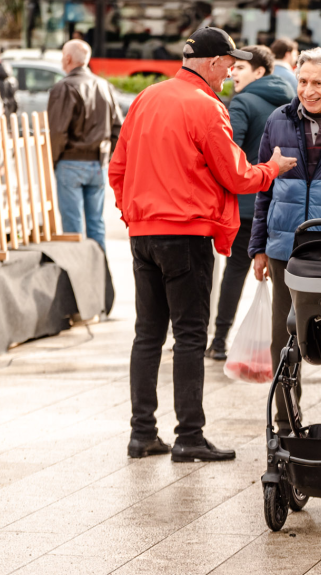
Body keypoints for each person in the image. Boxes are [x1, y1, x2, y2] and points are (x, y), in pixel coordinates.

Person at [109, 27, 296, 462]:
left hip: (144, 235)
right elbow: (235, 176)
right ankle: (189, 436)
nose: (231, 73)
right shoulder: (207, 108)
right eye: (229, 64)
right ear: (212, 63)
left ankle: (142, 433)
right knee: (190, 335)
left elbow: (117, 168)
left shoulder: (146, 98)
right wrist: (272, 168)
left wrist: (134, 215)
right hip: (186, 233)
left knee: (147, 334)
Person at [249, 48, 321, 432]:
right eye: (302, 81)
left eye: (317, 82)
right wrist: (259, 248)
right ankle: (286, 423)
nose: (308, 90)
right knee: (285, 338)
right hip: (287, 247)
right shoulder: (278, 120)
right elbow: (264, 188)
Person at [204, 44, 293, 361]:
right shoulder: (292, 99)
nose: (234, 73)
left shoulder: (242, 101)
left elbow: (230, 151)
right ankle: (289, 347)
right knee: (286, 277)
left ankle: (219, 340)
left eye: (241, 68)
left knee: (235, 271)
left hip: (248, 202)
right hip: (285, 204)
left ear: (259, 72)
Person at [48, 40, 123, 252]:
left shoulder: (64, 87)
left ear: (68, 58)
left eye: (63, 55)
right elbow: (118, 128)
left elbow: (57, 132)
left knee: (73, 228)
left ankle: (77, 278)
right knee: (96, 224)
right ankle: (100, 276)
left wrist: (53, 160)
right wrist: (106, 157)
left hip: (71, 161)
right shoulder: (103, 85)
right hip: (96, 163)